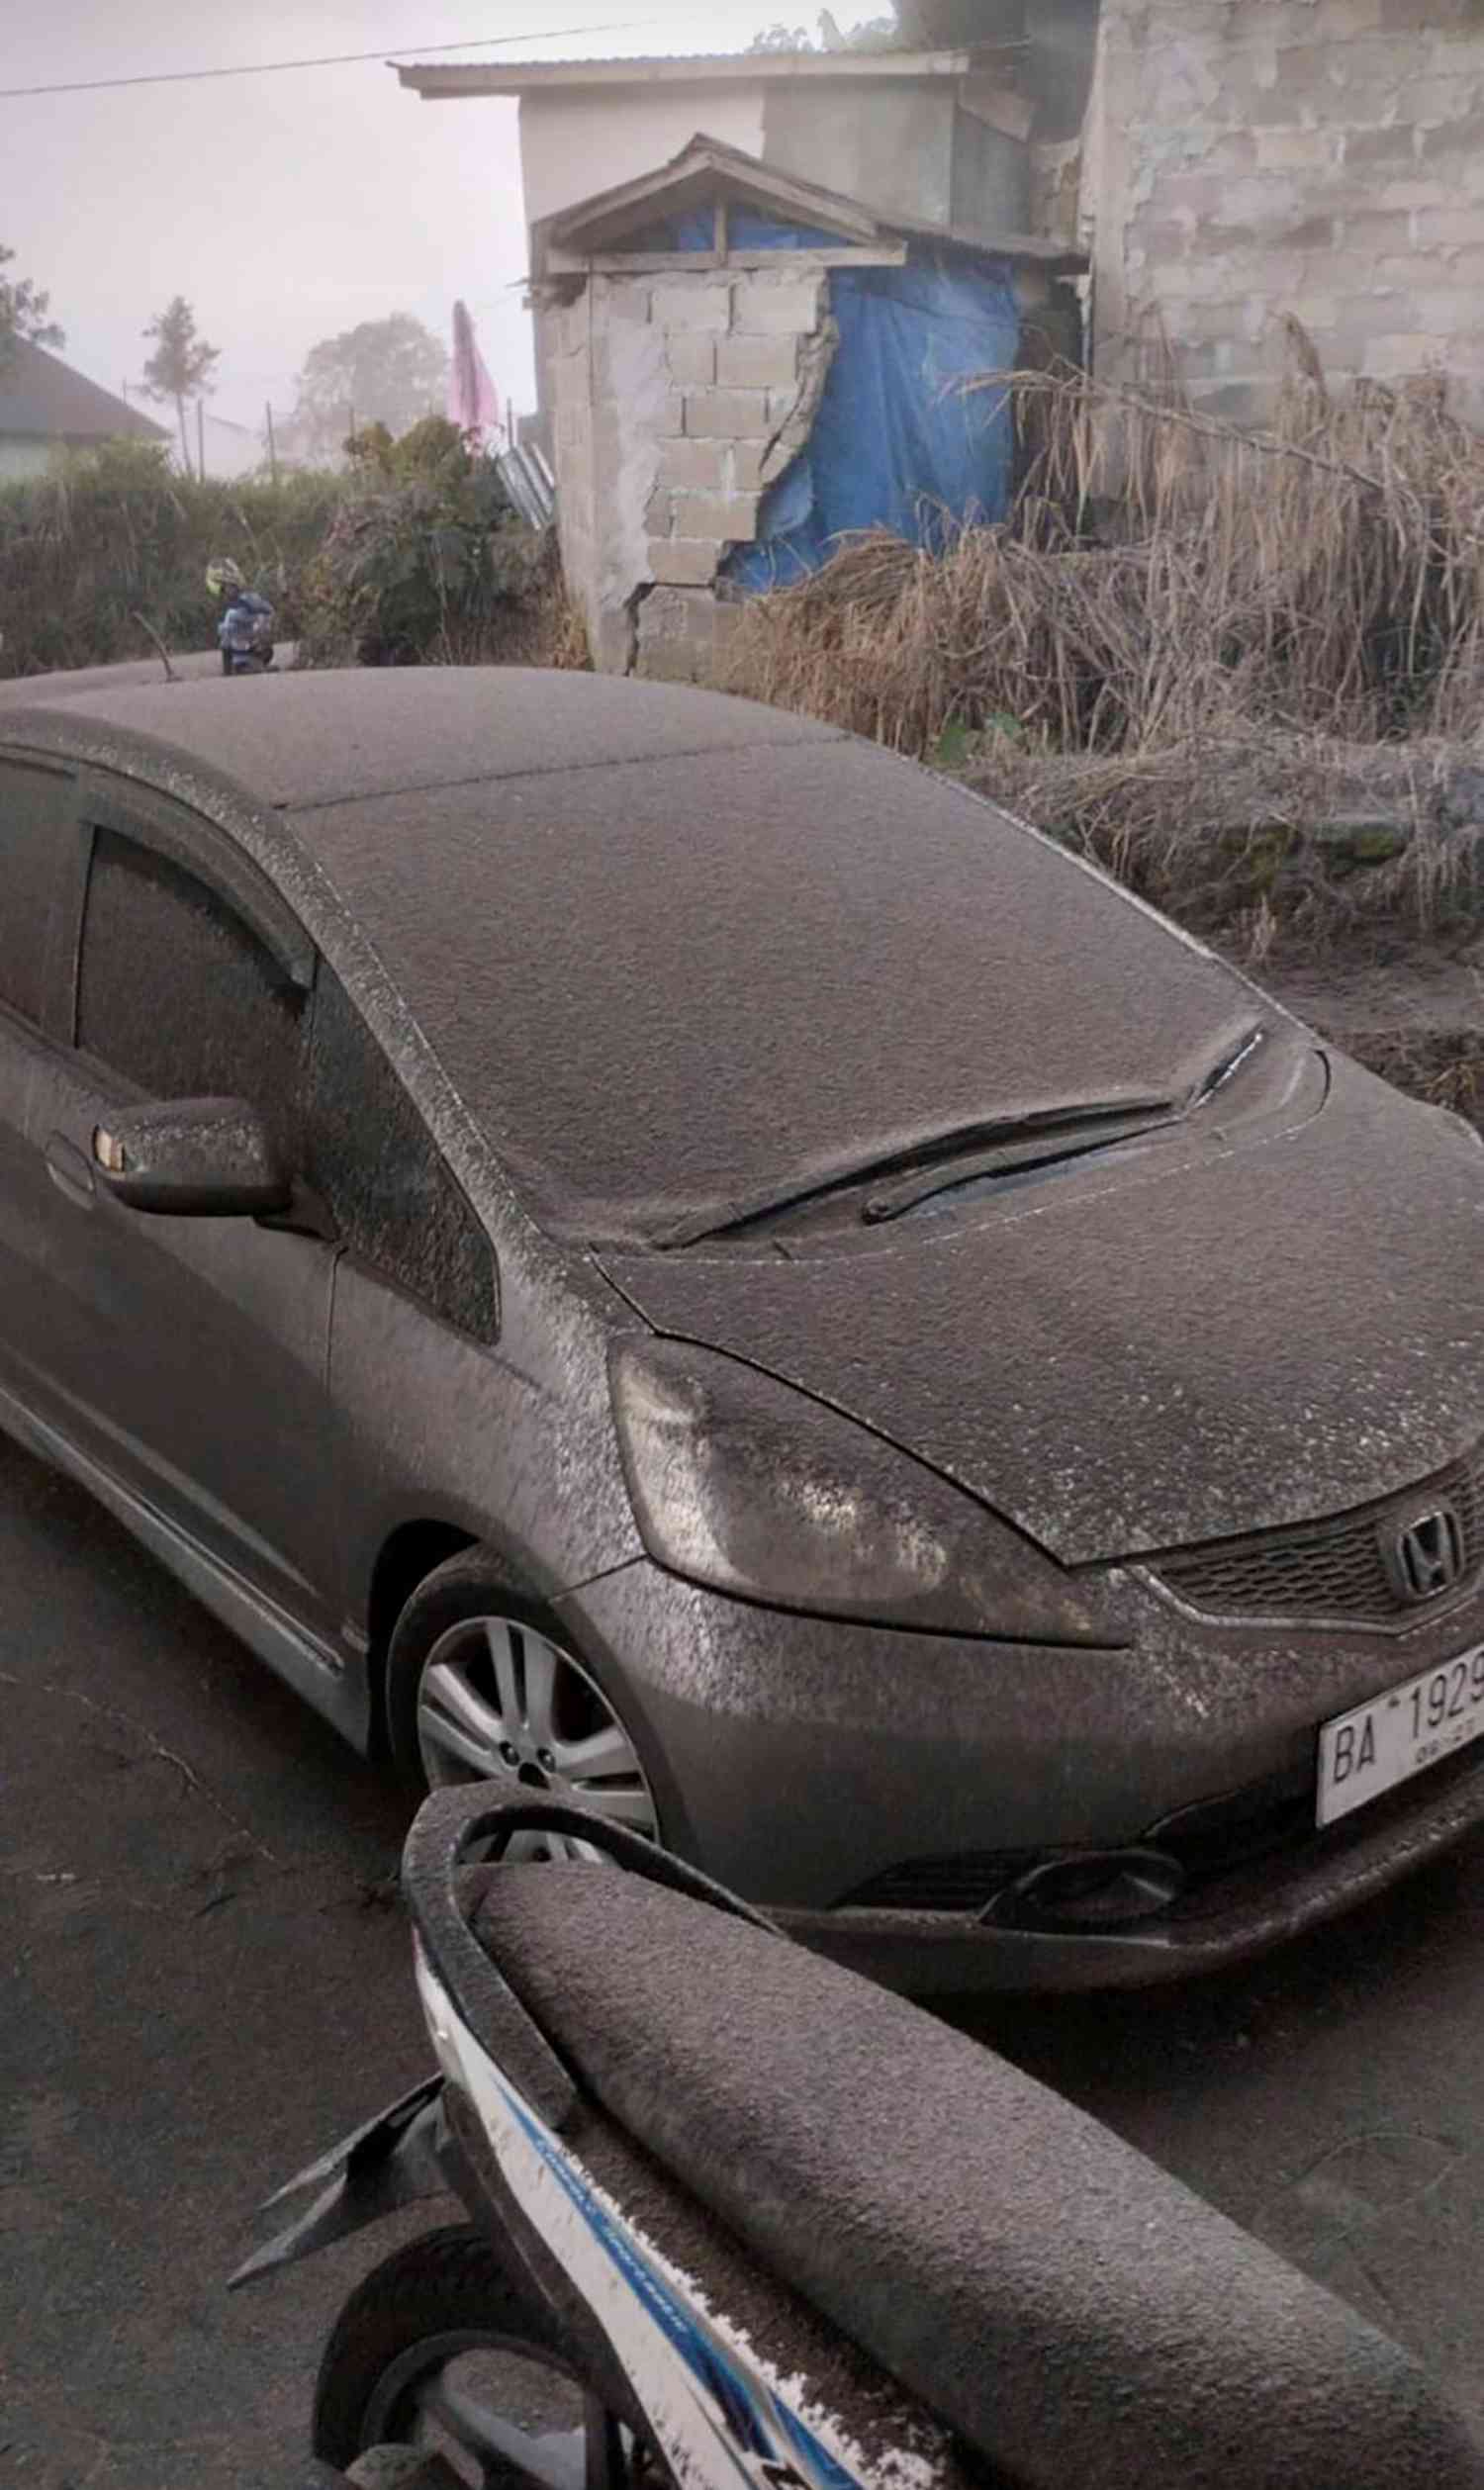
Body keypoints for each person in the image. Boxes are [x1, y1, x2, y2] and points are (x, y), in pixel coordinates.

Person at [206, 558, 275, 675]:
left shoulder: (248, 600)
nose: (226, 592)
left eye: (228, 587)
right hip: (245, 652)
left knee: (228, 626)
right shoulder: (238, 605)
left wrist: (260, 630)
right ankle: (247, 663)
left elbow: (268, 612)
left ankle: (250, 662)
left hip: (252, 649)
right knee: (227, 627)